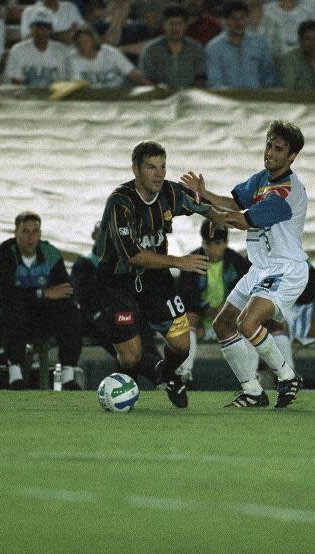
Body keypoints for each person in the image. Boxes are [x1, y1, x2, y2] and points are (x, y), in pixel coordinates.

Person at [180, 120, 308, 409]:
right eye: (268, 145)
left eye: (278, 149)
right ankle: (252, 390)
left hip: (285, 269)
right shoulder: (262, 178)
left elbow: (240, 220)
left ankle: (287, 376)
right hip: (261, 268)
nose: (270, 153)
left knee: (246, 322)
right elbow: (234, 203)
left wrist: (202, 208)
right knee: (224, 323)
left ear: (291, 157)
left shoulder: (287, 192)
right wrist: (204, 193)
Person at [93, 140, 225, 408]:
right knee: (130, 357)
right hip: (118, 283)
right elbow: (133, 255)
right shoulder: (120, 203)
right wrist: (179, 262)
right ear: (135, 170)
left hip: (156, 280)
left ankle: (167, 374)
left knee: (182, 344)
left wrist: (214, 217)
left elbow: (200, 205)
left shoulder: (170, 193)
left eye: (163, 167)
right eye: (151, 167)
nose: (159, 174)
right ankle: (127, 394)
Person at [0, 211, 83, 390]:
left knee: (70, 311)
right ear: (15, 233)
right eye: (25, 231)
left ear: (40, 234)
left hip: (33, 317)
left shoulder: (50, 254)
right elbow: (4, 295)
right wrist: (42, 294)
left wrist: (46, 296)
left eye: (35, 231)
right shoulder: (4, 255)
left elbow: (65, 290)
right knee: (15, 310)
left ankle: (68, 375)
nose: (30, 237)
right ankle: (15, 375)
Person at [70, 221, 163, 384]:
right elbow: (85, 300)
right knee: (121, 338)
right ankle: (158, 371)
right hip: (97, 320)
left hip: (124, 316)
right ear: (94, 237)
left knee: (138, 326)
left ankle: (159, 370)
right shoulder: (84, 265)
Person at [176, 219, 251, 382]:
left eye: (217, 243)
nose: (212, 248)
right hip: (202, 320)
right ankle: (184, 374)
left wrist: (228, 310)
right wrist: (207, 310)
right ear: (203, 242)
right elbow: (185, 297)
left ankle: (251, 377)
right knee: (185, 320)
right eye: (208, 243)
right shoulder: (192, 262)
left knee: (249, 323)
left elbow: (248, 294)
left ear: (225, 243)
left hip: (229, 319)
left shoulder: (236, 262)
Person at [205, 0, 278, 88]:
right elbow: (215, 82)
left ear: (248, 19)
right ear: (225, 20)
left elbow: (269, 77)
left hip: (257, 99)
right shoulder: (214, 47)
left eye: (242, 18)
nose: (239, 23)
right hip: (226, 99)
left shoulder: (260, 43)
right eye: (233, 18)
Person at [138, 3, 206, 90]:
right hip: (160, 98)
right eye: (171, 24)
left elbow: (201, 78)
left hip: (190, 99)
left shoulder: (196, 48)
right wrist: (158, 89)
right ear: (163, 25)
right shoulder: (151, 50)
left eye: (179, 24)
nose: (175, 28)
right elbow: (145, 80)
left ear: (186, 26)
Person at [63, 24, 153, 87]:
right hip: (90, 97)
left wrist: (152, 87)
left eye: (85, 41)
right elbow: (76, 86)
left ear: (94, 41)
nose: (82, 45)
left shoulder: (111, 53)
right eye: (79, 43)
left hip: (116, 93)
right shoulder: (73, 59)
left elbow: (133, 74)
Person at [4, 10, 67, 86]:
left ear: (51, 30)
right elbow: (15, 82)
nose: (40, 31)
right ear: (31, 29)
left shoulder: (61, 51)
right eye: (37, 27)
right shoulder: (18, 50)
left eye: (45, 27)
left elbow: (65, 82)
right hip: (25, 96)